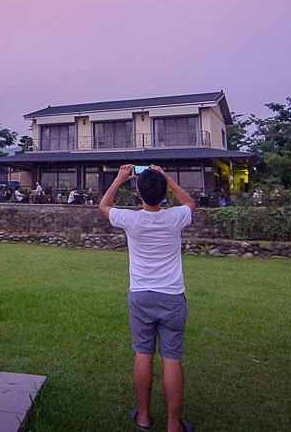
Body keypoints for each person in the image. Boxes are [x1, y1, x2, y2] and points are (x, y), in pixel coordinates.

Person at [99, 164, 196, 432]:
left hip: (141, 296)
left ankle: (143, 416)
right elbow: (189, 202)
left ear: (139, 195)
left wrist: (118, 180)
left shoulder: (131, 219)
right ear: (164, 194)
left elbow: (104, 205)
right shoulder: (175, 217)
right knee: (172, 358)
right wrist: (167, 177)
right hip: (172, 297)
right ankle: (173, 424)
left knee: (143, 353)